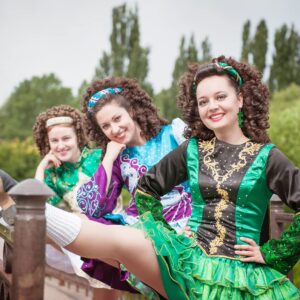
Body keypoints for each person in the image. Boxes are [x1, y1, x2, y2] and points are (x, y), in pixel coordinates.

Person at [44, 56, 299, 299]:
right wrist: (167, 236)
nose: (212, 106)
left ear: (240, 99)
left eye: (220, 97)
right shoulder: (193, 150)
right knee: (115, 239)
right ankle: (28, 213)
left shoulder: (267, 157)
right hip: (190, 260)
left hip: (245, 275)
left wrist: (272, 254)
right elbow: (144, 190)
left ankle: (25, 212)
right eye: (203, 101)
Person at [76, 77, 192, 296]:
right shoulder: (119, 159)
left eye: (117, 118)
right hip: (143, 228)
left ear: (133, 110)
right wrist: (108, 160)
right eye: (106, 126)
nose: (115, 129)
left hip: (186, 222)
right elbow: (94, 208)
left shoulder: (174, 133)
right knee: (84, 222)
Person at [33, 105, 120, 299]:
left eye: (66, 138)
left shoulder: (98, 157)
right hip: (85, 235)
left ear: (78, 137)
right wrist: (41, 168)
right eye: (54, 140)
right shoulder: (54, 175)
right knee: (103, 292)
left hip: (115, 226)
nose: (60, 145)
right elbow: (37, 206)